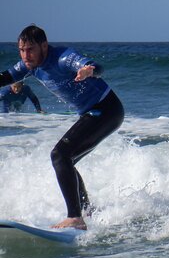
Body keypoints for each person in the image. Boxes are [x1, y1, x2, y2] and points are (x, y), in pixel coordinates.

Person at [0, 24, 125, 230]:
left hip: (107, 109)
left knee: (59, 155)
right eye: (21, 50)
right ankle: (87, 212)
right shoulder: (29, 66)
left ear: (44, 46)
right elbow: (6, 77)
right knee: (67, 160)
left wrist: (88, 71)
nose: (25, 55)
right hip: (94, 113)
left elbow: (96, 67)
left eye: (30, 49)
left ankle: (75, 217)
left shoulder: (63, 58)